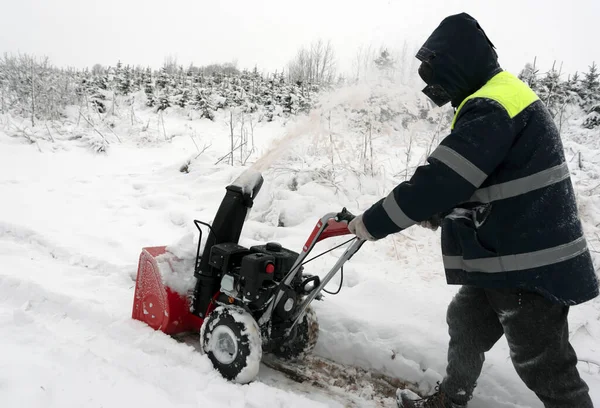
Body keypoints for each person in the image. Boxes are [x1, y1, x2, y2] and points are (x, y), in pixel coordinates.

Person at [348, 12, 599, 408]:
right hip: (504, 255)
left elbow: (439, 181)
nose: (433, 84)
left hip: (530, 265)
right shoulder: (497, 96)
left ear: (459, 63)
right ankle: (451, 398)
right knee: (465, 322)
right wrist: (436, 211)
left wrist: (371, 223)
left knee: (547, 368)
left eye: (437, 71)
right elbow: (480, 179)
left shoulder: (492, 106)